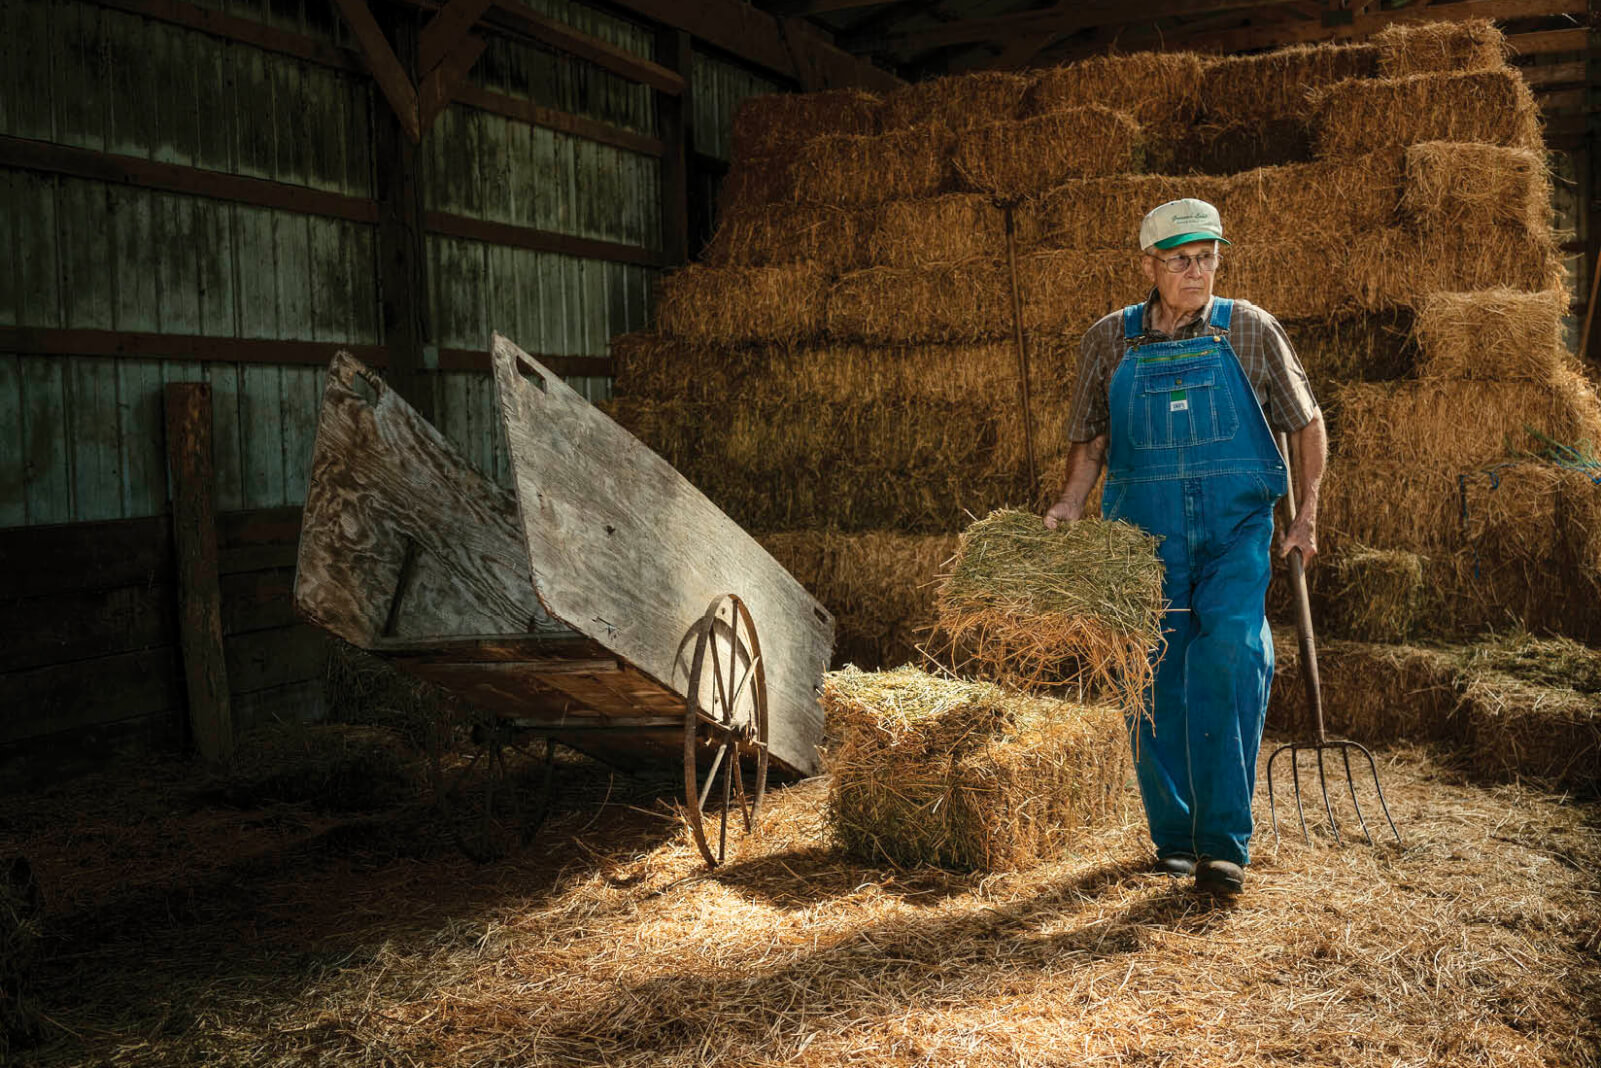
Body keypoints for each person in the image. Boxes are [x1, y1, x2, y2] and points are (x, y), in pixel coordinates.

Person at [1044, 198, 1326, 896]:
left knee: (1229, 656)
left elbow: (1305, 425)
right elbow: (1090, 440)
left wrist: (1306, 514)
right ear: (1148, 266)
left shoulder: (1250, 330)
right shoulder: (1109, 340)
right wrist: (1069, 504)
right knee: (1153, 680)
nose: (1197, 272)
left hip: (1234, 533)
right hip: (1141, 541)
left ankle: (1222, 845)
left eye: (1207, 258)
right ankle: (1173, 838)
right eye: (1181, 260)